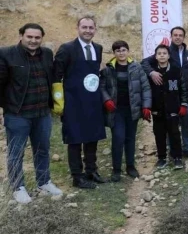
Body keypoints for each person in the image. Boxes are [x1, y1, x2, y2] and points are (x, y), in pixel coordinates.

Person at [0, 23, 62, 203]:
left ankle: (44, 182)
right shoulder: (6, 54)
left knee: (42, 149)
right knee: (16, 153)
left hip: (42, 114)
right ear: (21, 36)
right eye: (30, 37)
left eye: (37, 37)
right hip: (18, 115)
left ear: (41, 38)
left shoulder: (47, 54)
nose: (33, 40)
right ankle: (18, 187)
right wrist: (9, 106)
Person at [53, 16, 106, 189]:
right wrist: (59, 101)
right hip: (73, 102)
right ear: (78, 28)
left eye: (91, 27)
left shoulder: (98, 48)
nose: (88, 30)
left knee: (93, 137)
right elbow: (56, 76)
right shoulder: (66, 49)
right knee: (75, 139)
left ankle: (91, 170)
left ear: (95, 29)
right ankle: (77, 176)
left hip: (92, 101)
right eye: (84, 27)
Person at [100, 41, 151, 182]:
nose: (121, 53)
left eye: (123, 50)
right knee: (118, 138)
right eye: (117, 51)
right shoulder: (108, 69)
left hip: (132, 110)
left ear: (128, 51)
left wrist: (146, 106)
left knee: (130, 138)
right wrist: (106, 100)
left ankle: (130, 166)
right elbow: (102, 87)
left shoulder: (136, 67)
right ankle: (116, 169)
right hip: (116, 111)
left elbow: (145, 87)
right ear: (114, 53)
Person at [142, 26, 188, 158]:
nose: (178, 37)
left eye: (180, 35)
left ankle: (187, 148)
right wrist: (151, 72)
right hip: (169, 94)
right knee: (169, 125)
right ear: (171, 37)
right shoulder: (164, 51)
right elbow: (144, 62)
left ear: (184, 37)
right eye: (175, 35)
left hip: (184, 93)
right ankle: (171, 150)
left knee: (185, 123)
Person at [148, 45, 188, 170]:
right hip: (157, 109)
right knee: (159, 134)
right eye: (159, 53)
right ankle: (162, 158)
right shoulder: (152, 72)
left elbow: (183, 88)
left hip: (173, 109)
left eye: (164, 53)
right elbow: (146, 90)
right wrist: (147, 107)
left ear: (168, 55)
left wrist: (183, 104)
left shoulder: (176, 70)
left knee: (175, 134)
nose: (161, 55)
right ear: (155, 56)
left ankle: (177, 158)